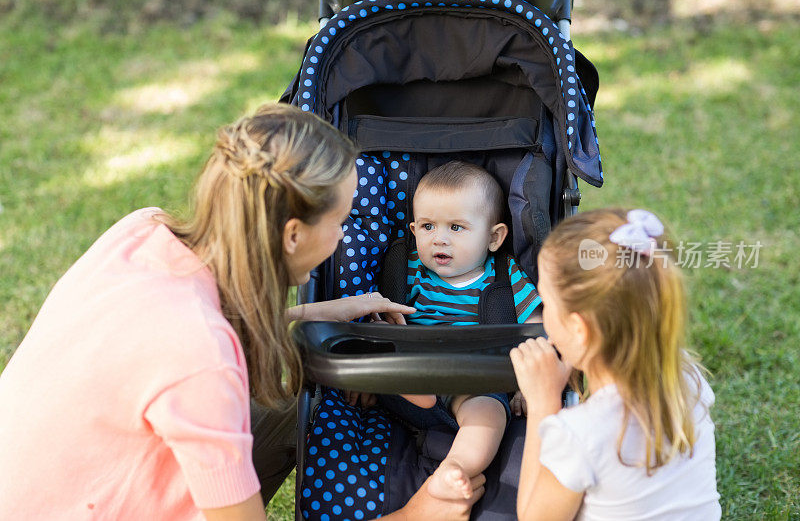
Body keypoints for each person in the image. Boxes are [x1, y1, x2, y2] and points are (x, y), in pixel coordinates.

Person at [0, 103, 486, 521]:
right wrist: (413, 514)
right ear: (293, 235)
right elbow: (191, 353)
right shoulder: (202, 360)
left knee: (302, 409)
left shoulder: (143, 231)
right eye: (339, 222)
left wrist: (327, 310)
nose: (341, 238)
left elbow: (163, 338)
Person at [510, 208, 721, 520]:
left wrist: (543, 404)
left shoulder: (579, 433)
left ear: (580, 330)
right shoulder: (690, 380)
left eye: (546, 302)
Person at [350, 160, 542, 501]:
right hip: (407, 378)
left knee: (487, 417)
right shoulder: (404, 270)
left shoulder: (503, 276)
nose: (439, 238)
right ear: (413, 230)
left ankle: (456, 469)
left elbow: (536, 328)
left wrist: (529, 384)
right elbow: (377, 322)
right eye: (427, 227)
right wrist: (370, 377)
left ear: (494, 237)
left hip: (474, 384)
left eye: (456, 228)